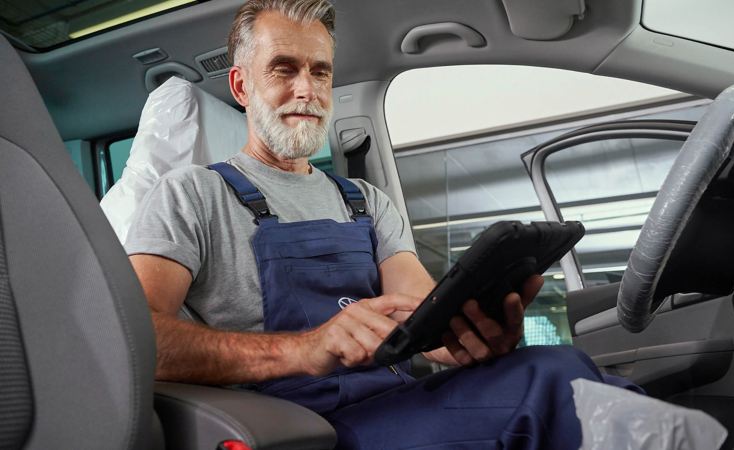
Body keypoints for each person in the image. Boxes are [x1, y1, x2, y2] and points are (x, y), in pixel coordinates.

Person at [126, 0, 639, 448]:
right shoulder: (192, 194)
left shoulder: (366, 202)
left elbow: (422, 321)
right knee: (551, 382)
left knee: (557, 369)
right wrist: (304, 348)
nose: (307, 90)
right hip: (300, 426)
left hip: (398, 403)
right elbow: (135, 342)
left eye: (320, 71)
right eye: (283, 70)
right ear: (241, 85)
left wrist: (467, 338)